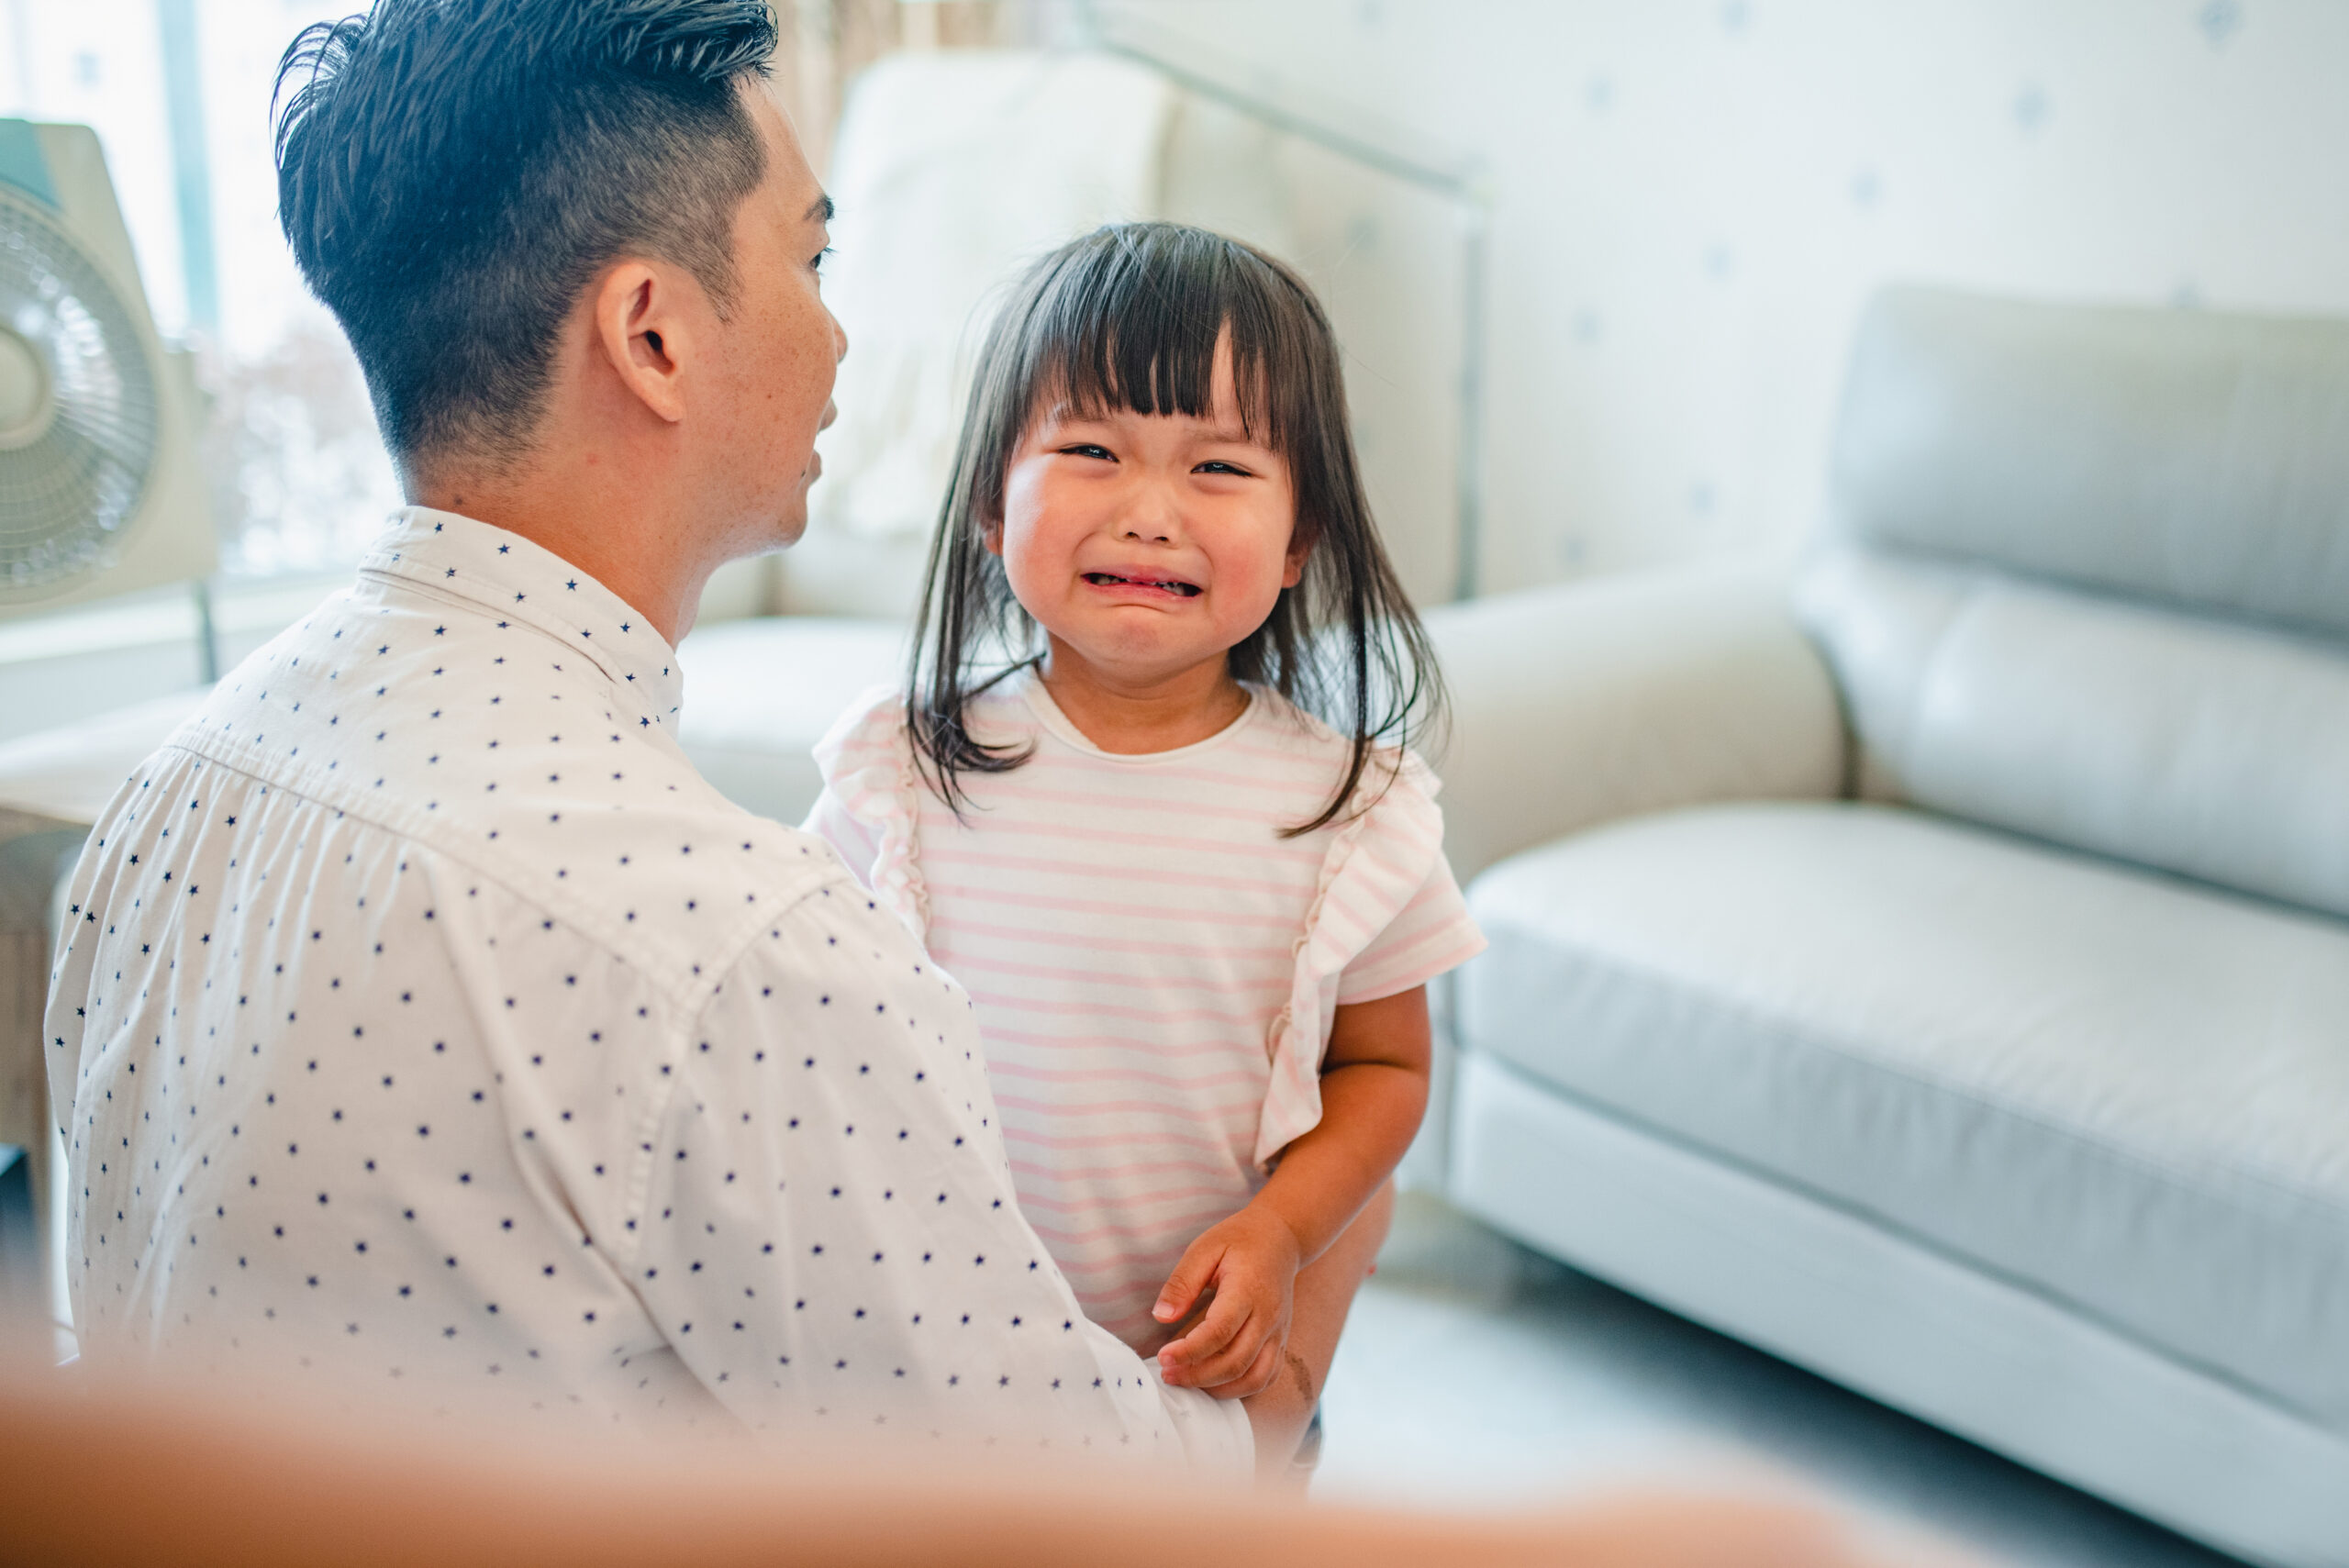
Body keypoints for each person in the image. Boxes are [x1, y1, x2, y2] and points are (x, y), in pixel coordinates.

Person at [43, 0, 1331, 1476]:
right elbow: (1067, 1498)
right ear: (653, 334)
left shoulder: (171, 795)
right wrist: (1273, 1410)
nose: (841, 330)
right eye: (812, 258)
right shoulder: (744, 953)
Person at [805, 224, 1485, 1451]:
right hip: (941, 1373)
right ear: (987, 508)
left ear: (1300, 540)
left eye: (1218, 469)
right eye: (1090, 450)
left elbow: (1386, 1072)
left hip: (1208, 1377)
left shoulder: (1349, 810)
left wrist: (1281, 1233)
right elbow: (803, 1037)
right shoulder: (897, 776)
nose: (1150, 512)